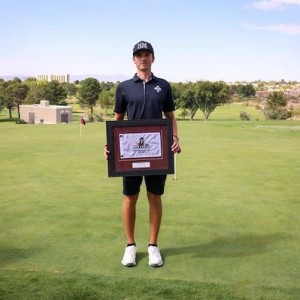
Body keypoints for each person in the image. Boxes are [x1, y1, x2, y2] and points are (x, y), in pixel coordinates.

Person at [104, 41, 181, 267]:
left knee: (154, 196)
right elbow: (117, 121)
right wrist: (108, 144)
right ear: (134, 60)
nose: (143, 58)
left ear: (153, 58)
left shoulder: (163, 86)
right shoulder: (125, 87)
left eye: (147, 55)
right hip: (129, 154)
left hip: (157, 152)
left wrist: (175, 138)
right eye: (139, 55)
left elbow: (170, 117)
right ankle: (130, 247)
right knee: (130, 196)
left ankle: (153, 246)